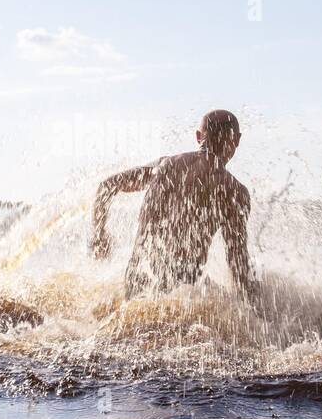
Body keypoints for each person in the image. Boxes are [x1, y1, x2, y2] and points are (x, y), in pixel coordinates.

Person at [91, 109, 257, 302]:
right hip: (183, 292)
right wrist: (262, 312)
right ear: (236, 140)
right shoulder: (233, 191)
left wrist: (99, 235)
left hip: (137, 278)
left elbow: (107, 187)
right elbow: (238, 264)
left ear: (198, 137)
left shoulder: (165, 166)